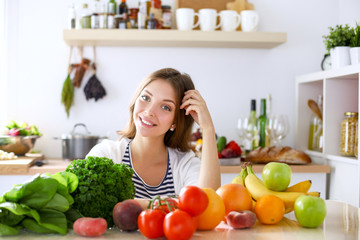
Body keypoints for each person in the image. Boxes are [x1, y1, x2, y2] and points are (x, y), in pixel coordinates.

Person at [86, 68, 220, 199]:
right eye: (145, 97)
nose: (149, 111)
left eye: (165, 107)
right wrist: (177, 205)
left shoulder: (185, 164)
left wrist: (208, 128)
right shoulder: (107, 154)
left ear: (175, 121)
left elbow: (206, 203)